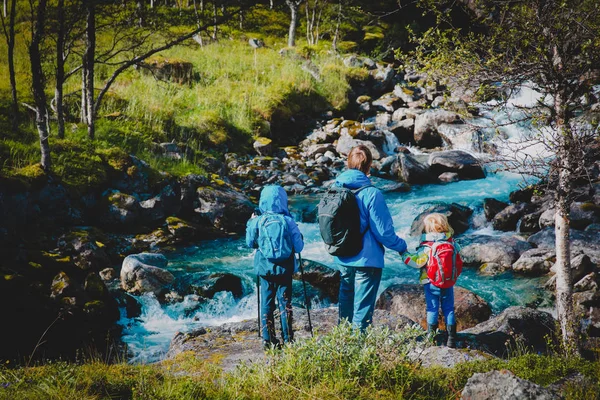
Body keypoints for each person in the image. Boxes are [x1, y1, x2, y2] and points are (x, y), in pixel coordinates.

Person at [334, 145, 407, 331]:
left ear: (348, 163)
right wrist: (401, 246)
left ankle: (342, 347)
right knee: (362, 310)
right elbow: (384, 233)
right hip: (367, 260)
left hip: (342, 256)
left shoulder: (334, 190)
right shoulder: (372, 194)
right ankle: (359, 352)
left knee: (346, 306)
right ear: (369, 166)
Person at [246, 185, 304, 349]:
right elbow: (299, 248)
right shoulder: (288, 221)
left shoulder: (257, 221)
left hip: (265, 269)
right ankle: (288, 339)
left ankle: (268, 339)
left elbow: (250, 243)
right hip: (285, 269)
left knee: (266, 302)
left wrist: (251, 222)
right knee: (285, 303)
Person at [402, 213, 460, 348]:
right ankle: (451, 339)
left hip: (430, 282)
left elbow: (416, 262)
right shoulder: (452, 243)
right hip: (448, 281)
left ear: (427, 229)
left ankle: (431, 338)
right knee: (449, 308)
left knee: (432, 309)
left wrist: (404, 254)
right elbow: (458, 252)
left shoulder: (426, 247)